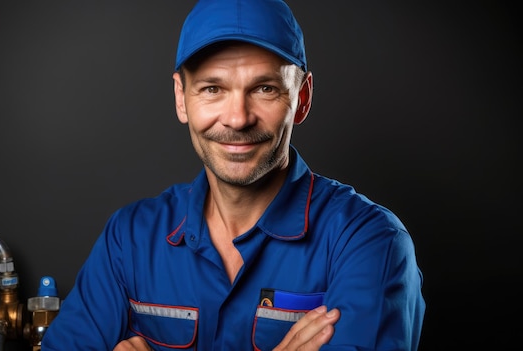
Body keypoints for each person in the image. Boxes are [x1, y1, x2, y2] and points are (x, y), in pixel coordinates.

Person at [41, 0, 426, 350]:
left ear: (302, 99)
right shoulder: (129, 240)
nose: (238, 118)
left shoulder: (369, 242)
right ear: (181, 98)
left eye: (264, 88)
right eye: (212, 88)